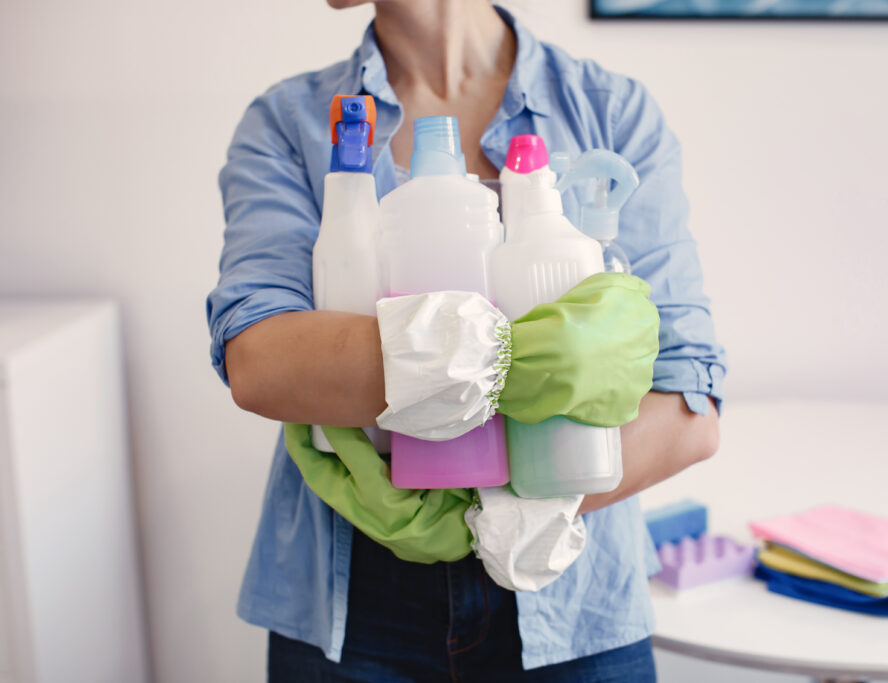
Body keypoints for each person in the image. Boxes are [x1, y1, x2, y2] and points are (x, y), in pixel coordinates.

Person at [207, 1, 727, 680]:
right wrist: (508, 360)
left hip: (574, 596)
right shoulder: (290, 121)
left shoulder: (610, 113)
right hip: (350, 600)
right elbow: (261, 360)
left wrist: (499, 515)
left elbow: (688, 405)